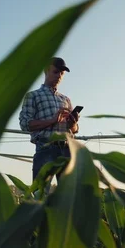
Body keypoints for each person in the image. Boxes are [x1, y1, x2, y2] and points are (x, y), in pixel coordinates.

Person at [19, 57, 80, 190]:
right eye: (56, 72)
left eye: (62, 74)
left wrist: (72, 123)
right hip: (45, 148)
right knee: (40, 194)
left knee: (70, 196)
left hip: (67, 149)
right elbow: (25, 124)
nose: (59, 76)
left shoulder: (65, 99)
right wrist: (52, 120)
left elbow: (75, 130)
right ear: (46, 71)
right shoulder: (33, 96)